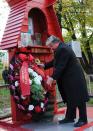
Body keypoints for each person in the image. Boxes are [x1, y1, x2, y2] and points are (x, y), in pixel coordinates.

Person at [38, 35, 89, 127]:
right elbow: (56, 61)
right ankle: (70, 117)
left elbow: (61, 66)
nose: (50, 48)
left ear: (55, 43)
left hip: (74, 78)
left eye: (50, 46)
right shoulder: (61, 48)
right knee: (70, 98)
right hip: (69, 78)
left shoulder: (62, 49)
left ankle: (83, 119)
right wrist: (44, 65)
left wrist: (52, 77)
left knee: (79, 99)